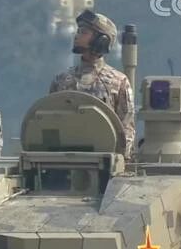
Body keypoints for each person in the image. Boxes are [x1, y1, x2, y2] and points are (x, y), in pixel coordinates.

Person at [49, 9, 135, 157]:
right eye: (78, 31)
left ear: (102, 40)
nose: (77, 35)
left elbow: (126, 129)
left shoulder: (118, 82)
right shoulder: (61, 80)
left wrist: (119, 160)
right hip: (64, 160)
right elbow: (49, 120)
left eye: (83, 32)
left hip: (104, 162)